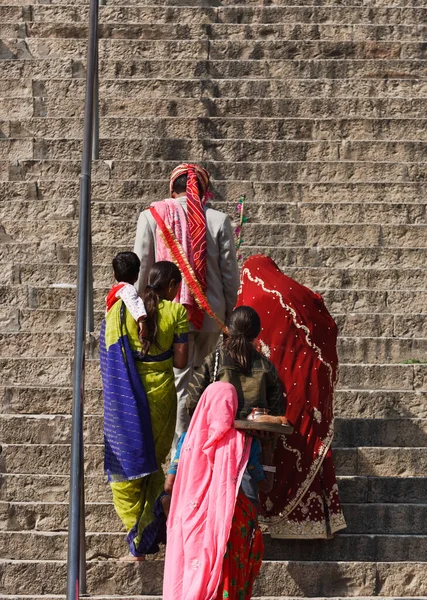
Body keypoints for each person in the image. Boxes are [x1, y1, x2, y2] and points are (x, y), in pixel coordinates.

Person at [236, 254, 346, 539]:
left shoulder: (253, 297)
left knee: (271, 443)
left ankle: (262, 517)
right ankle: (313, 522)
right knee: (304, 441)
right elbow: (326, 324)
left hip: (269, 387)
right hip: (304, 385)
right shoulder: (294, 293)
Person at [133, 163, 240, 448]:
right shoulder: (218, 219)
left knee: (180, 381)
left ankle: (181, 454)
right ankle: (196, 446)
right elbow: (230, 274)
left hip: (166, 313)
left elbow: (142, 268)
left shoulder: (152, 215)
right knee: (203, 379)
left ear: (173, 187)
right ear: (203, 191)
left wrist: (138, 314)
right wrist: (229, 316)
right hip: (210, 316)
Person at [100, 260, 189, 560]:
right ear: (174, 287)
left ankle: (137, 531)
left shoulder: (120, 311)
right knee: (152, 461)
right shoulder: (178, 313)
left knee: (126, 468)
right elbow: (180, 362)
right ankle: (151, 521)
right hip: (163, 397)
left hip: (129, 395)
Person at [163, 382, 274, 600]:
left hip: (190, 522)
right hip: (234, 523)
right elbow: (266, 485)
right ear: (233, 407)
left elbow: (169, 485)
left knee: (193, 577)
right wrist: (268, 449)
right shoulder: (245, 442)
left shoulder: (187, 440)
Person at [106, 252, 147, 339]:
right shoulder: (128, 288)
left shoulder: (115, 289)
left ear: (114, 274)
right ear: (137, 276)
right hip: (118, 330)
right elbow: (133, 302)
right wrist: (141, 319)